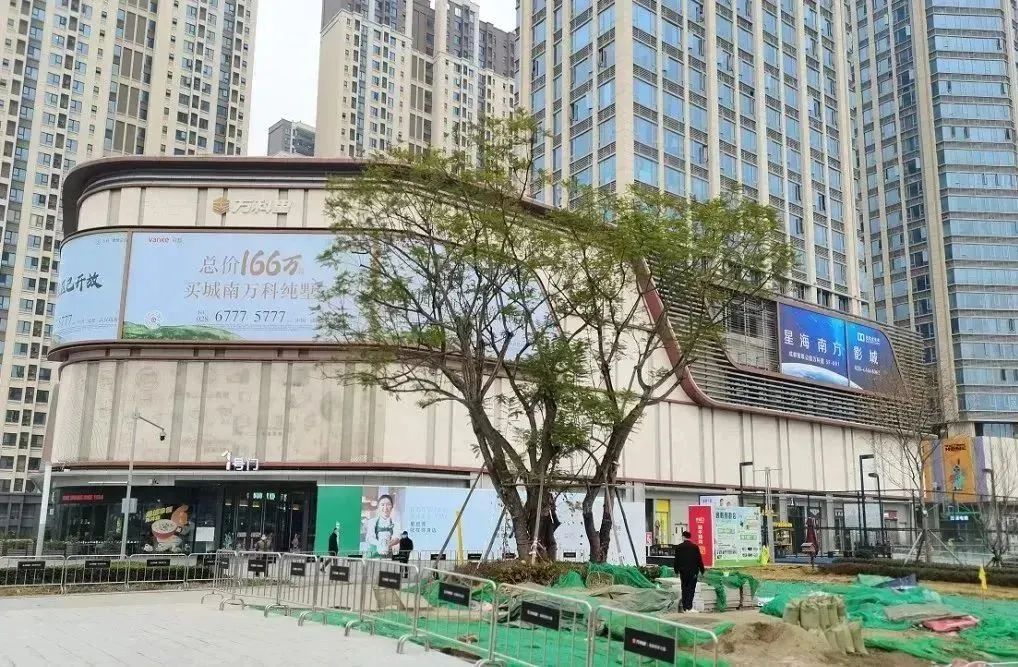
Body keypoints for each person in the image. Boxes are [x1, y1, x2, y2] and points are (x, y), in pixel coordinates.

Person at [673, 531, 705, 612]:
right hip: (693, 572)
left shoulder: (679, 547)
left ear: (683, 537)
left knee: (684, 588)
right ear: (690, 537)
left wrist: (676, 571)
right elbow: (699, 559)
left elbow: (676, 560)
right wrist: (702, 570)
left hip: (683, 572)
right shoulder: (695, 547)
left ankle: (684, 607)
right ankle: (689, 607)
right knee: (691, 589)